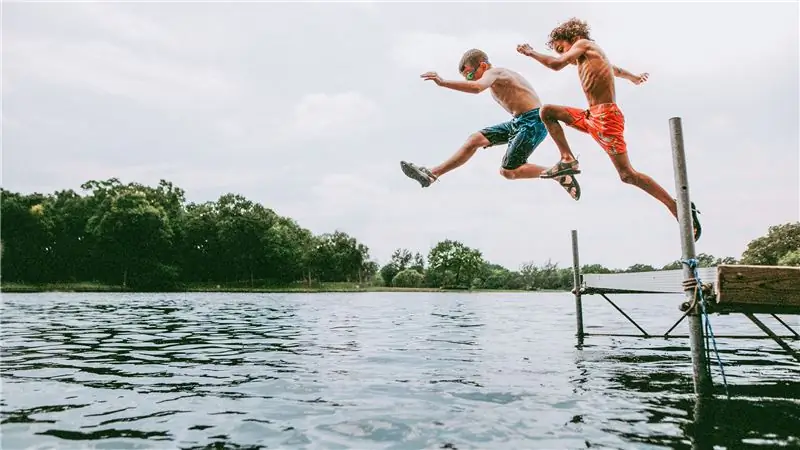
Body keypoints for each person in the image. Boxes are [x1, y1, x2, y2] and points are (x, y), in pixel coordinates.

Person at [516, 18, 702, 241]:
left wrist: (531, 53)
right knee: (547, 111)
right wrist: (632, 76)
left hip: (606, 118)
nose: (563, 56)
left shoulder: (583, 44)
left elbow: (556, 65)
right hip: (591, 116)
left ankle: (676, 207)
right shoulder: (592, 55)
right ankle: (567, 159)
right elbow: (613, 69)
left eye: (560, 48)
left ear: (571, 38)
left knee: (627, 175)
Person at [400, 48, 581, 201]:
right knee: (474, 140)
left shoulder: (494, 73)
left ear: (483, 65)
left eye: (471, 74)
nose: (470, 80)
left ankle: (558, 174)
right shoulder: (495, 78)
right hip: (518, 122)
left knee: (508, 172)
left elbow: (477, 88)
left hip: (533, 121)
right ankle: (432, 174)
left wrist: (443, 82)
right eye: (467, 78)